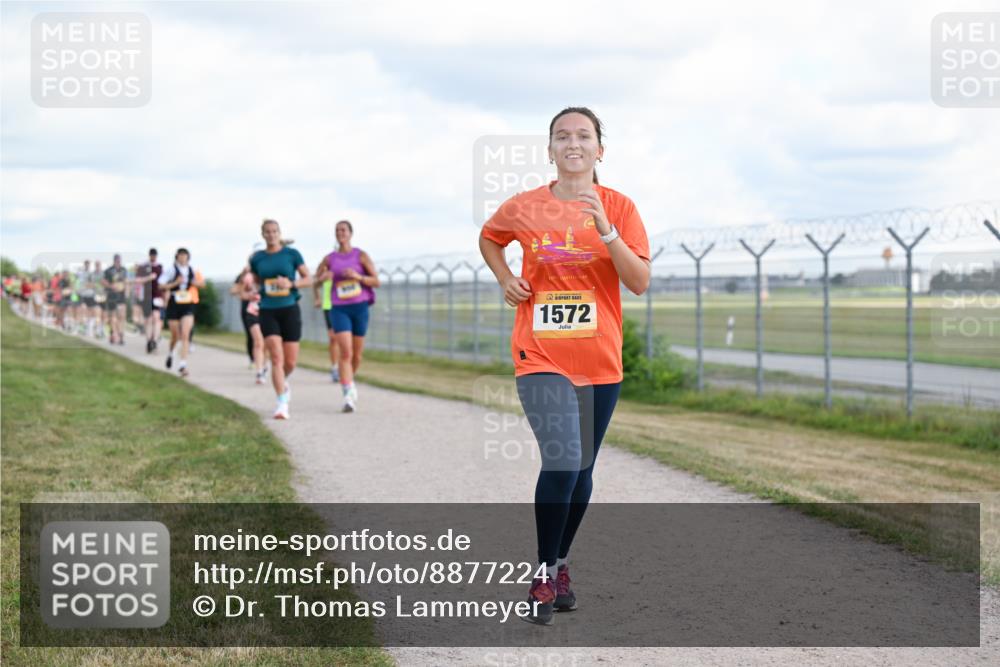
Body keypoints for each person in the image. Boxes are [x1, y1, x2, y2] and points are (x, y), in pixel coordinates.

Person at [478, 107, 650, 626]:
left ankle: (560, 564)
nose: (572, 143)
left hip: (599, 360)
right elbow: (490, 237)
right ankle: (542, 574)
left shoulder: (619, 207)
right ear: (550, 149)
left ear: (600, 149)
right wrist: (505, 277)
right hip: (540, 354)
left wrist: (607, 231)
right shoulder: (525, 205)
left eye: (583, 136)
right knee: (563, 461)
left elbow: (638, 282)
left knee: (582, 472)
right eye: (562, 136)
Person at [314, 220, 379, 412]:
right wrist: (322, 279)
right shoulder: (329, 259)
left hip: (360, 307)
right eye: (337, 230)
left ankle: (350, 380)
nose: (340, 233)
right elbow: (315, 280)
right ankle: (348, 393)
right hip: (339, 308)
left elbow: (376, 281)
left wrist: (358, 277)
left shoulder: (361, 255)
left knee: (357, 355)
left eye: (343, 230)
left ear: (351, 233)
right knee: (346, 352)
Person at [249, 219, 311, 419]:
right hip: (268, 310)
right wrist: (254, 290)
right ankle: (281, 402)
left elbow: (308, 279)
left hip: (290, 309)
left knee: (290, 362)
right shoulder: (257, 258)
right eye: (267, 232)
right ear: (263, 234)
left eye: (274, 231)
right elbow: (256, 281)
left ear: (279, 233)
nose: (271, 235)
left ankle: (283, 381)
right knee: (276, 357)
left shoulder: (292, 254)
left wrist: (291, 284)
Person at [158, 248, 204, 377]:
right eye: (181, 255)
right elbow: (160, 285)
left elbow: (201, 284)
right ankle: (171, 353)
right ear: (177, 257)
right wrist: (175, 283)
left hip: (187, 303)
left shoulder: (192, 270)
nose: (183, 258)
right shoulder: (171, 270)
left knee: (185, 334)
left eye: (185, 255)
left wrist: (194, 283)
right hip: (174, 302)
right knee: (175, 335)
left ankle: (183, 365)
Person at [231, 262, 267, 384]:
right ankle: (259, 370)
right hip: (252, 311)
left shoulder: (270, 273)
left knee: (267, 342)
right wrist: (248, 293)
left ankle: (264, 364)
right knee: (257, 340)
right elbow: (239, 293)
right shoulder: (247, 277)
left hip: (268, 311)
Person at [312, 252, 341, 383]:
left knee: (345, 339)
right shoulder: (326, 272)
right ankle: (335, 368)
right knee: (333, 338)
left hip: (344, 305)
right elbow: (315, 284)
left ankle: (345, 365)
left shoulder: (343, 271)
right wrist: (317, 298)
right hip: (329, 306)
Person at [136, 248, 164, 353]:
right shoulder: (143, 267)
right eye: (152, 255)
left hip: (157, 296)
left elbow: (164, 283)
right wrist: (149, 278)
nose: (153, 257)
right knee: (148, 319)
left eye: (155, 255)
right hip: (147, 296)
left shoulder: (160, 267)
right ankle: (148, 340)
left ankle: (154, 341)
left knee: (156, 317)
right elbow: (138, 280)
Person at [102, 254, 129, 344]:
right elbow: (103, 281)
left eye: (119, 260)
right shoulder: (108, 270)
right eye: (116, 260)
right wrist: (111, 286)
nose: (118, 262)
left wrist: (127, 291)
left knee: (121, 316)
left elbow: (126, 281)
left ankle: (120, 335)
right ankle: (113, 334)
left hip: (121, 296)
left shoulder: (124, 270)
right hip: (112, 296)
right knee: (113, 316)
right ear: (114, 261)